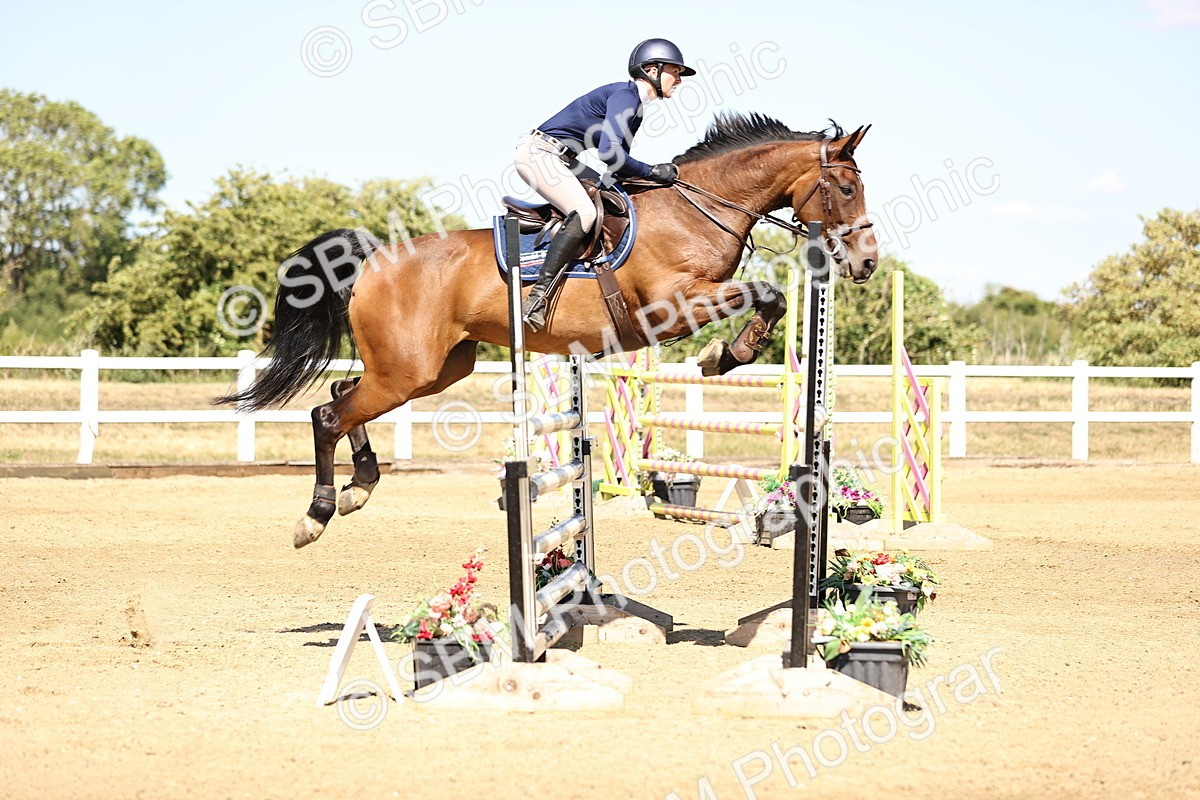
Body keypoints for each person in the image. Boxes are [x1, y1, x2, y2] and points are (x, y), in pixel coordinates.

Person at [514, 37, 697, 331]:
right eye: (674, 71)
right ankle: (537, 297)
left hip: (565, 158)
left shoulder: (633, 105)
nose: (678, 79)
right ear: (651, 69)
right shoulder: (626, 96)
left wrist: (656, 180)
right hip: (541, 154)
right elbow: (612, 154)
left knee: (610, 194)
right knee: (585, 212)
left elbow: (617, 167)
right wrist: (653, 170)